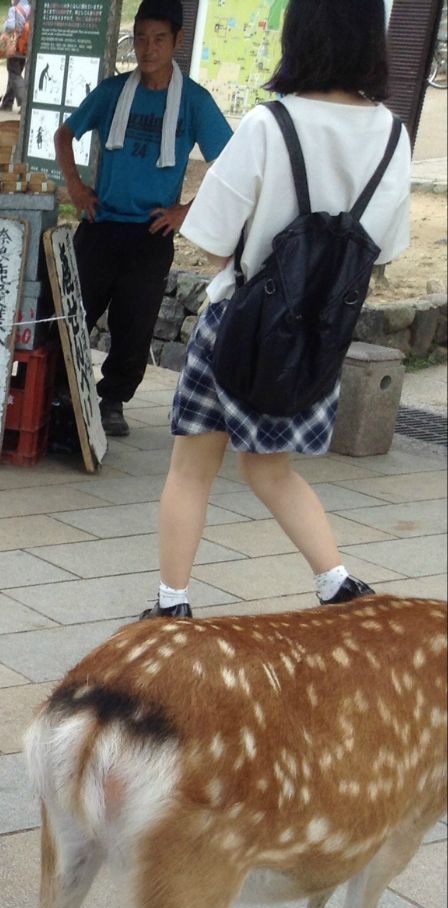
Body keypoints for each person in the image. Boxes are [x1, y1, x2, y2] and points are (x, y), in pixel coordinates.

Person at [143, 0, 410, 620]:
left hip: (240, 323)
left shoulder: (271, 124)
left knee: (191, 468)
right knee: (271, 469)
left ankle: (172, 605)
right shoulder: (395, 134)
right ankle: (337, 582)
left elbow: (209, 236)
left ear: (299, 35)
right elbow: (386, 249)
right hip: (316, 335)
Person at [54, 0, 232, 438]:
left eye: (158, 39)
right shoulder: (114, 91)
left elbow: (231, 163)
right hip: (101, 224)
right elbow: (65, 133)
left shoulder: (193, 101)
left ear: (177, 41)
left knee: (134, 324)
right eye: (140, 38)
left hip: (151, 233)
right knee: (72, 312)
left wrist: (185, 211)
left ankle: (113, 400)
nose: (147, 48)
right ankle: (59, 390)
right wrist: (76, 186)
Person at [0, 0, 31, 113]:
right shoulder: (32, 9)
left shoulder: (14, 10)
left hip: (15, 46)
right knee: (14, 74)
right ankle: (7, 103)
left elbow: (10, 27)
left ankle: (24, 102)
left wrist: (5, 27)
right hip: (25, 47)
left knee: (14, 73)